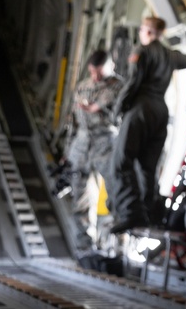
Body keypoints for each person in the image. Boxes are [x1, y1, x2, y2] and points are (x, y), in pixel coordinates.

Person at [109, 16, 186, 233]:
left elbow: (133, 82)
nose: (140, 33)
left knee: (121, 162)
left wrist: (118, 108)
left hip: (141, 109)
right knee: (147, 168)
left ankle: (131, 213)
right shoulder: (170, 55)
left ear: (148, 32)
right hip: (161, 112)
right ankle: (151, 214)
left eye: (141, 29)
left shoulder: (142, 52)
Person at [65, 49, 122, 251]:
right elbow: (73, 121)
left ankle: (115, 239)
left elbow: (107, 104)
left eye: (99, 72)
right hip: (82, 145)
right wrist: (67, 150)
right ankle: (84, 242)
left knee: (116, 190)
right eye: (92, 72)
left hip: (106, 143)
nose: (95, 77)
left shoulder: (119, 87)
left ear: (110, 66)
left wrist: (95, 107)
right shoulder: (83, 87)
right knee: (80, 193)